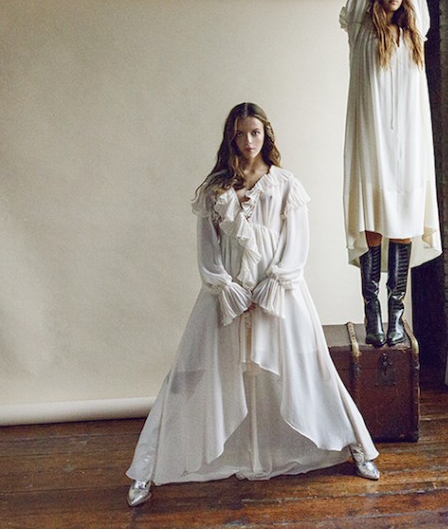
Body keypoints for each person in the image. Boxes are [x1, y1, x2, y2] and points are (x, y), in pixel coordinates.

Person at [125, 102, 380, 508]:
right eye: (241, 133)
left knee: (311, 371)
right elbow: (207, 251)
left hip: (280, 296)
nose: (248, 141)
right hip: (226, 298)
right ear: (232, 137)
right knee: (190, 375)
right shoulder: (214, 190)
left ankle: (358, 448)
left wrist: (271, 285)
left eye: (255, 133)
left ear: (266, 135)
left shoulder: (285, 185)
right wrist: (226, 288)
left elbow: (296, 245)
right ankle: (148, 468)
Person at [341, 0, 442, 349]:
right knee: (374, 225)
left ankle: (396, 309)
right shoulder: (360, 29)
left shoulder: (416, 34)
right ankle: (372, 310)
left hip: (409, 147)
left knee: (402, 223)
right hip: (373, 141)